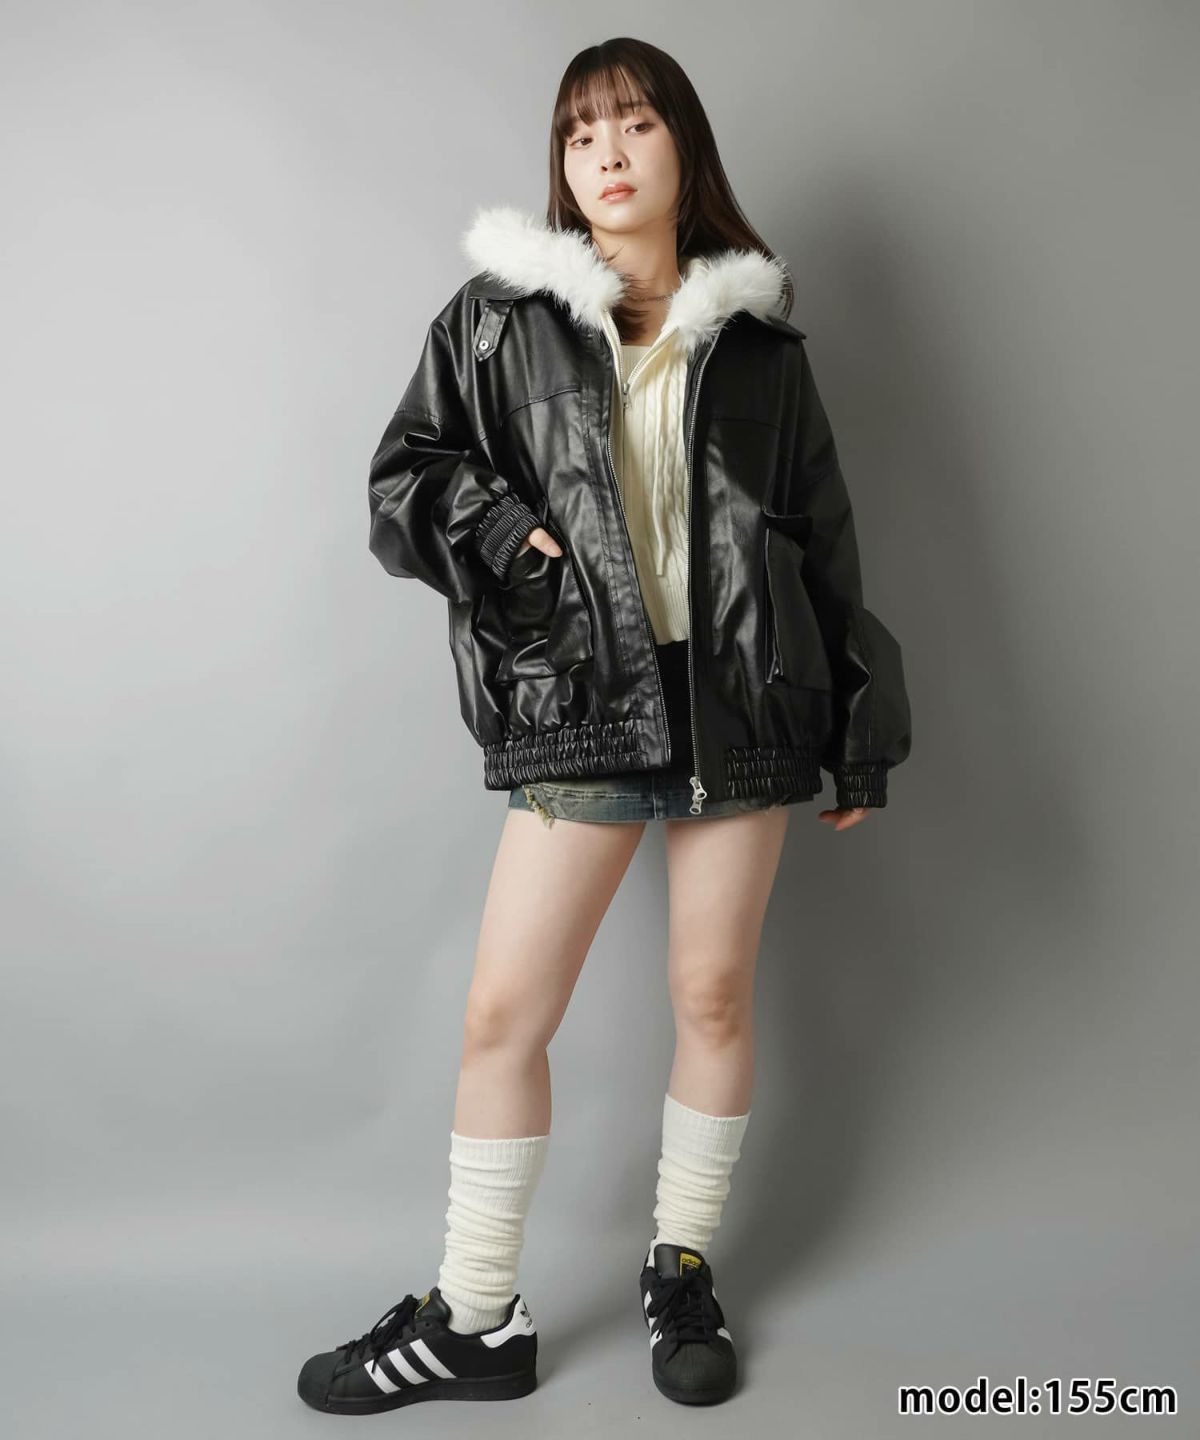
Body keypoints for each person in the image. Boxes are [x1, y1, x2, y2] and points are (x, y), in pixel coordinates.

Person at [297, 35, 912, 1417]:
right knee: (503, 1015)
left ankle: (680, 1269)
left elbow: (823, 542)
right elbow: (404, 478)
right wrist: (502, 531)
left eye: (633, 123)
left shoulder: (760, 346)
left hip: (742, 703)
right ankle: (477, 1316)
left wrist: (861, 727)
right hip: (582, 702)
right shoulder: (496, 319)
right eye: (581, 134)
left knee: (714, 996)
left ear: (684, 144)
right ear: (562, 166)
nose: (607, 154)